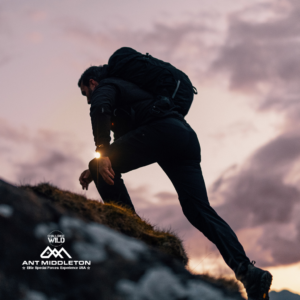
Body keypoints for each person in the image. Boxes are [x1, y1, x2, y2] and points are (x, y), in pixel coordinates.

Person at [78, 64, 272, 300]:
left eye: (85, 92)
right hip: (183, 136)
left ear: (93, 83)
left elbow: (100, 107)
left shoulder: (106, 86)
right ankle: (248, 272)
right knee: (198, 208)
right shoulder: (132, 92)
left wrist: (99, 153)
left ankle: (135, 237)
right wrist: (98, 162)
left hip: (161, 133)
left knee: (98, 165)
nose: (87, 100)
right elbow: (125, 146)